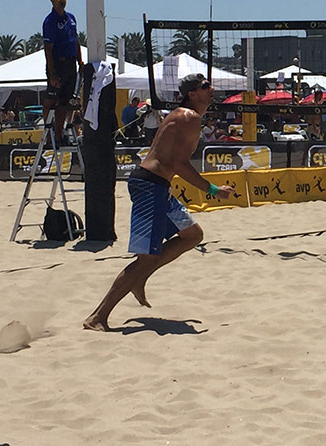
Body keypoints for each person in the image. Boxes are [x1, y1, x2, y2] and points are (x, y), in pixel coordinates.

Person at [84, 73, 234, 332]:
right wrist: (212, 190)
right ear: (191, 94)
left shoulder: (183, 116)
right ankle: (98, 316)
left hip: (157, 186)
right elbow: (178, 163)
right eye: (205, 86)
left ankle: (140, 278)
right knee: (146, 258)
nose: (211, 88)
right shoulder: (188, 117)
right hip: (149, 185)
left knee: (192, 235)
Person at [41, 0, 84, 140]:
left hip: (71, 64)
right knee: (51, 99)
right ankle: (47, 133)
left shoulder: (71, 18)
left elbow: (76, 40)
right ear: (52, 0)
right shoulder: (50, 21)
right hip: (57, 64)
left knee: (64, 102)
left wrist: (80, 60)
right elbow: (48, 48)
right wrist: (52, 73)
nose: (62, 1)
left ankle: (58, 135)